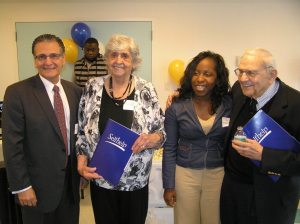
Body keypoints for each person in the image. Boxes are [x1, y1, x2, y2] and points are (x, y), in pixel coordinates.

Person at [76, 34, 165, 224]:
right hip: (100, 177)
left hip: (135, 182)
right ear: (107, 59)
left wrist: (151, 139)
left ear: (134, 61)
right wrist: (81, 162)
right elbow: (82, 131)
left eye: (125, 55)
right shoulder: (92, 87)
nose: (118, 61)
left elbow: (162, 132)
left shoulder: (145, 89)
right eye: (113, 55)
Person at [2, 34, 82, 224]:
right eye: (41, 57)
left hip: (70, 185)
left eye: (54, 56)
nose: (48, 62)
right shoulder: (17, 93)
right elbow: (12, 145)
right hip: (36, 188)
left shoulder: (75, 91)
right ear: (35, 60)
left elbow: (79, 135)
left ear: (63, 58)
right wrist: (21, 186)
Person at [220, 48, 300, 224]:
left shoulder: (295, 104)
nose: (242, 78)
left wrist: (264, 155)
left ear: (272, 75)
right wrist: (182, 95)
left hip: (271, 200)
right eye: (240, 71)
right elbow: (216, 99)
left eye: (251, 73)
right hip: (233, 193)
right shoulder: (239, 90)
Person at [163, 51, 232, 224]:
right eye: (196, 73)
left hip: (218, 175)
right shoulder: (177, 107)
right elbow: (170, 148)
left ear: (218, 78)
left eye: (207, 74)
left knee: (215, 220)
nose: (200, 78)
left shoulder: (229, 104)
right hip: (185, 175)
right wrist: (168, 185)